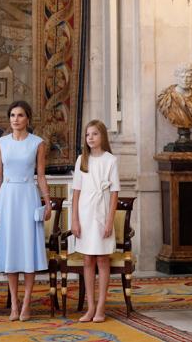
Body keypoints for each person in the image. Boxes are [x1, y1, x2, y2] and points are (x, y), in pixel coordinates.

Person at [0, 100, 52, 321]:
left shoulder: (38, 143)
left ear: (28, 119)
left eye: (20, 115)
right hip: (7, 197)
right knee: (11, 250)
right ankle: (14, 305)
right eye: (13, 115)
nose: (15, 119)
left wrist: (47, 201)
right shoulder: (1, 143)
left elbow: (41, 175)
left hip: (28, 196)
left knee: (27, 249)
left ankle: (26, 304)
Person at [71, 119, 120, 323]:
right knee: (88, 259)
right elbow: (76, 194)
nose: (90, 138)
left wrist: (110, 221)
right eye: (87, 134)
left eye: (94, 134)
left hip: (101, 214)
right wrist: (74, 219)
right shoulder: (82, 159)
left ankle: (101, 307)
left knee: (102, 259)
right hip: (85, 214)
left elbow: (115, 193)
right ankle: (90, 307)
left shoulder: (111, 160)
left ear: (102, 136)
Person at [157, 62, 192, 128]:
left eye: (188, 77)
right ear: (177, 77)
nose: (185, 80)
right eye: (182, 77)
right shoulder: (166, 98)